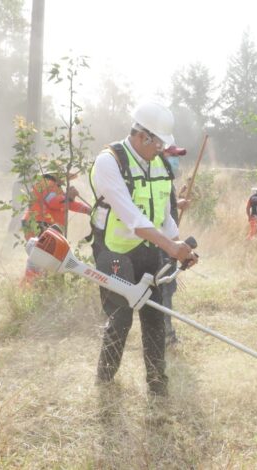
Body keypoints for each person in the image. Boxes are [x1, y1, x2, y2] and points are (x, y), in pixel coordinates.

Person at [89, 101, 197, 397]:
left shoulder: (160, 165)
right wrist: (170, 247)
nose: (162, 149)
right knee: (121, 315)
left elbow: (164, 216)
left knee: (154, 315)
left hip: (149, 248)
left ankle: (158, 385)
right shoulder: (110, 161)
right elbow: (132, 218)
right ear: (142, 136)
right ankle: (106, 381)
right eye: (158, 142)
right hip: (113, 250)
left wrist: (180, 245)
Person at [21, 172, 91, 282]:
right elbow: (53, 202)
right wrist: (69, 197)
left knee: (42, 257)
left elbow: (68, 204)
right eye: (64, 176)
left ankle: (38, 285)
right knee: (40, 256)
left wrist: (89, 210)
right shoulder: (46, 183)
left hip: (40, 224)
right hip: (39, 223)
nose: (65, 180)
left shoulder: (55, 188)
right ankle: (30, 286)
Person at [159, 145, 190, 347]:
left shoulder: (166, 179)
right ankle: (165, 333)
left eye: (178, 157)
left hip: (168, 242)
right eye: (172, 156)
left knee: (167, 288)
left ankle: (163, 331)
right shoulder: (158, 179)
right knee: (165, 288)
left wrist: (178, 203)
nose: (176, 160)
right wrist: (174, 245)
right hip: (160, 243)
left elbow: (166, 207)